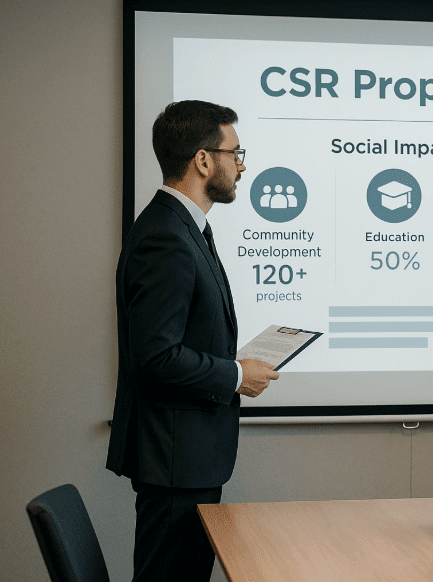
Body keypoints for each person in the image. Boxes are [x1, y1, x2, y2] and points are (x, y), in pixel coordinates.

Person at [106, 100, 279, 581]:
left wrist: (231, 363)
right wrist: (237, 374)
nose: (242, 165)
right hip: (174, 460)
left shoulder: (185, 228)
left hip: (186, 457)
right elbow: (157, 357)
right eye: (235, 152)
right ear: (203, 160)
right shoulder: (166, 235)